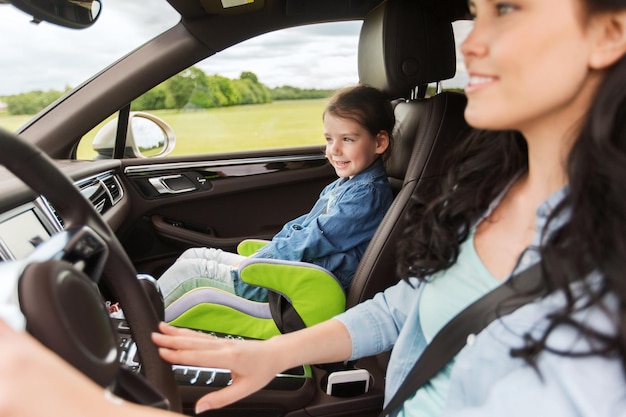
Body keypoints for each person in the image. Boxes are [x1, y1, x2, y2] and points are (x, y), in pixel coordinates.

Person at [2, 0, 626, 416]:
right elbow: (407, 304)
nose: (474, 42)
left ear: (611, 30)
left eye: (508, 9)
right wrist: (269, 353)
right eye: (478, 10)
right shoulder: (494, 190)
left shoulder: (605, 289)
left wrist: (54, 393)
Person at [156, 84, 395, 306]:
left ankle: (131, 321)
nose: (334, 149)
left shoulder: (366, 195)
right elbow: (302, 227)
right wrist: (266, 254)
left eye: (347, 139)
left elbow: (314, 239)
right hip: (292, 271)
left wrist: (260, 262)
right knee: (194, 255)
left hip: (299, 285)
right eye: (329, 139)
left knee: (190, 274)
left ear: (380, 142)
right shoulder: (345, 184)